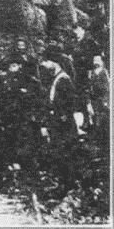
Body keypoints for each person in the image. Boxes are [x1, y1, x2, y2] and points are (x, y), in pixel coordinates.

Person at [39, 46, 85, 192]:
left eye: (46, 62)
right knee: (59, 155)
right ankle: (62, 185)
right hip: (58, 124)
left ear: (54, 63)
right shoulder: (55, 79)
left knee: (66, 154)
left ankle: (67, 186)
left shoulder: (63, 80)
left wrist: (57, 122)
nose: (44, 65)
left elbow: (67, 106)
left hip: (64, 125)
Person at [86, 54, 110, 148]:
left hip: (102, 101)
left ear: (101, 62)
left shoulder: (104, 72)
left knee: (103, 121)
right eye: (94, 61)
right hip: (93, 101)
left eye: (98, 61)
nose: (96, 63)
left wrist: (105, 101)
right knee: (95, 120)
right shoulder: (90, 73)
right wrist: (88, 103)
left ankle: (103, 144)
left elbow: (107, 89)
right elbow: (87, 89)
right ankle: (97, 143)